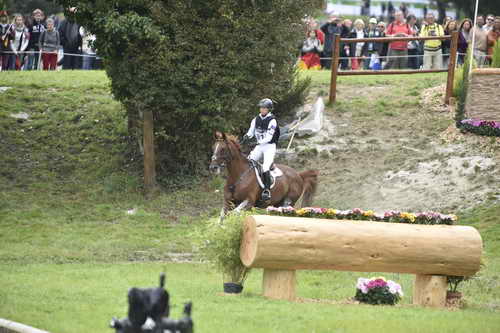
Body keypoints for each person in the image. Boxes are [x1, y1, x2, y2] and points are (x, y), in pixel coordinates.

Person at [241, 99, 280, 202]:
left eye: (264, 108)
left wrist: (257, 143)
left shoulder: (272, 120)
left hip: (269, 146)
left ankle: (266, 190)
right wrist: (246, 136)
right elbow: (251, 132)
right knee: (248, 161)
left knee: (265, 167)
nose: (262, 109)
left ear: (269, 109)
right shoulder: (256, 119)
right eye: (261, 107)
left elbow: (268, 137)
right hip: (259, 146)